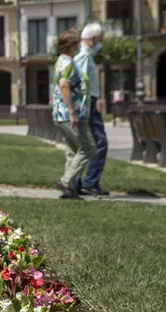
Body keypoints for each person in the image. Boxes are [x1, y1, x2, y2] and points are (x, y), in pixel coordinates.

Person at [52, 29, 94, 199]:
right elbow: (64, 85)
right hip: (69, 114)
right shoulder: (67, 63)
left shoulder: (61, 61)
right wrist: (72, 112)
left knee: (72, 150)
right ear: (71, 46)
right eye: (76, 44)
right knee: (88, 148)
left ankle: (69, 190)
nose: (78, 47)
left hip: (61, 114)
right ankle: (66, 181)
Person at [74, 22, 109, 196]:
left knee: (87, 144)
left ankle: (78, 183)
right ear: (93, 39)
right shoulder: (84, 56)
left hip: (89, 104)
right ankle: (89, 183)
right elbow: (79, 83)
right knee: (100, 143)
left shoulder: (87, 55)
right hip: (88, 106)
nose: (101, 43)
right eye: (100, 39)